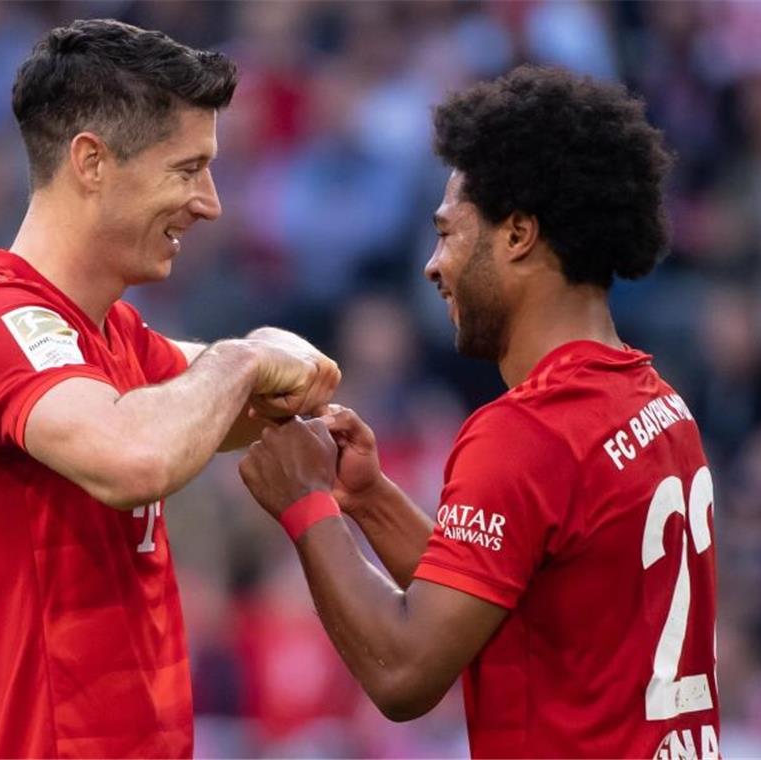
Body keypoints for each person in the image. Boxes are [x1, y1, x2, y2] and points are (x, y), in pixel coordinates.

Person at [238, 65, 721, 759]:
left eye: (449, 233)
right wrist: (366, 500)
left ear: (518, 234)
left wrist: (305, 505)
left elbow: (405, 673)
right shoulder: (657, 403)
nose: (434, 266)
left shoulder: (525, 432)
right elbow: (502, 604)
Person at [0, 19, 340, 759]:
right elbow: (138, 456)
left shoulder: (109, 338)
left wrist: (261, 365)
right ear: (92, 162)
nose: (210, 202)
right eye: (186, 169)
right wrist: (241, 358)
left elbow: (275, 397)